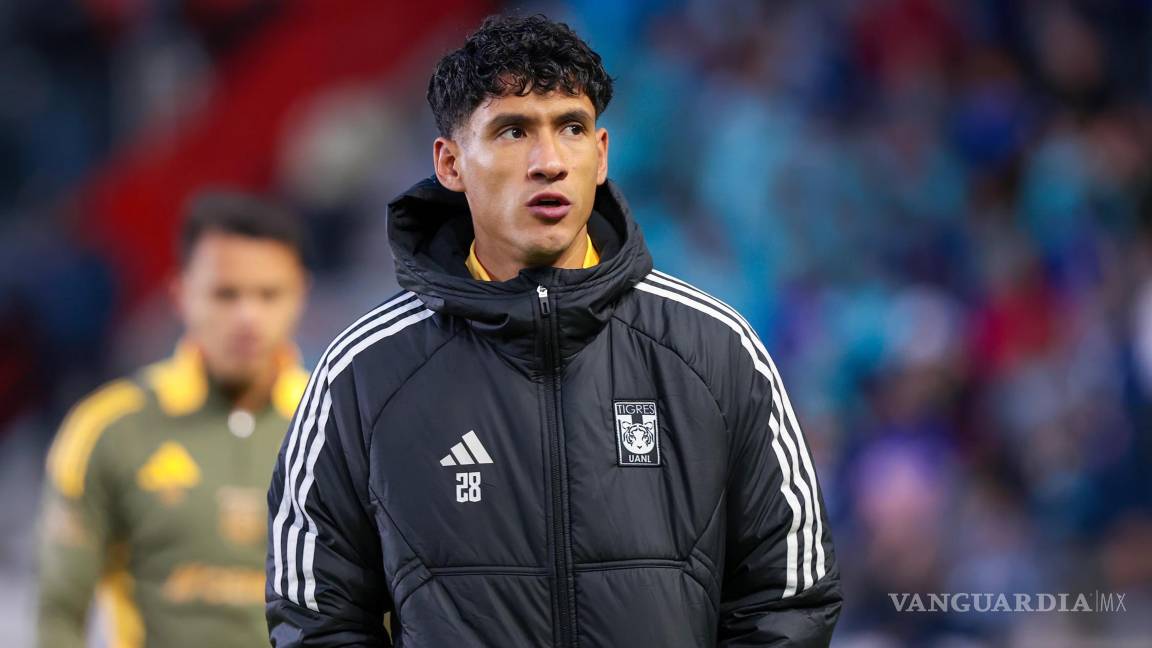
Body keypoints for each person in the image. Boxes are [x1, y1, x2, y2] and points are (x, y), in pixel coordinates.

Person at [266, 14, 841, 647]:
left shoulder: (715, 349)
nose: (549, 162)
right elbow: (316, 618)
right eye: (513, 131)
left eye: (570, 127)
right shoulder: (362, 373)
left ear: (601, 155)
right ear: (450, 164)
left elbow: (790, 597)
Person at [37, 191, 311, 648]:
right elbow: (60, 613)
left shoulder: (343, 425)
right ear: (180, 294)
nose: (248, 316)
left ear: (300, 295)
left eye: (268, 294)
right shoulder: (108, 429)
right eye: (225, 294)